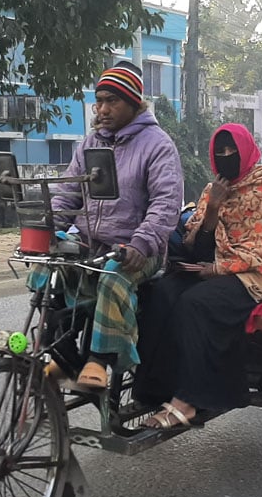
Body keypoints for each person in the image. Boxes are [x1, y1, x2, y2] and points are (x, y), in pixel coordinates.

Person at [134, 123, 262, 430]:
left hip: (260, 273)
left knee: (197, 303)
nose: (227, 156)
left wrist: (220, 269)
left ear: (246, 151)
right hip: (216, 265)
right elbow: (200, 248)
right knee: (159, 293)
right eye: (220, 152)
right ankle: (157, 388)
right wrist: (214, 206)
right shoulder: (212, 190)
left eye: (232, 151)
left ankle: (189, 399)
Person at [47, 60, 183, 390]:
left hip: (139, 250)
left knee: (112, 280)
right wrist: (48, 226)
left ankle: (99, 361)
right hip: (93, 241)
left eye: (112, 101)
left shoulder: (158, 144)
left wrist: (141, 243)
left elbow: (166, 204)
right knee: (51, 267)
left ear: (134, 102)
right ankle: (59, 351)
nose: (103, 109)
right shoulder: (90, 143)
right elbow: (68, 192)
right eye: (100, 101)